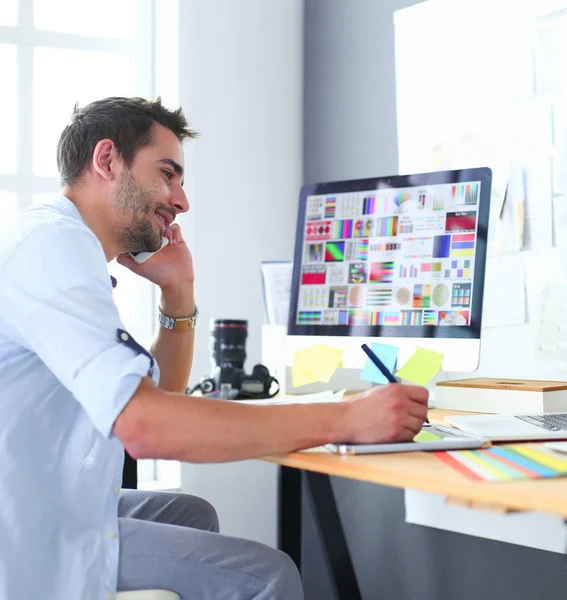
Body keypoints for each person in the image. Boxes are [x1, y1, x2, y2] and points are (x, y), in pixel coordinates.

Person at [0, 97, 429, 600]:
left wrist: (178, 292)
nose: (181, 201)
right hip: (23, 529)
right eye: (167, 173)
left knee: (192, 513)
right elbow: (146, 427)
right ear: (107, 160)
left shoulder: (59, 244)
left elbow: (166, 397)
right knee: (269, 575)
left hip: (46, 498)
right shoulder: (55, 246)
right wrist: (345, 420)